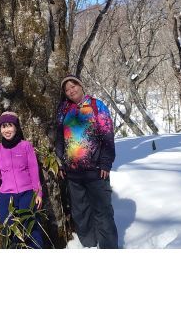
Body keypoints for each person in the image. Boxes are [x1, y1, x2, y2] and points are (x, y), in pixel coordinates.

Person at [55, 75, 119, 248]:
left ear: (81, 86)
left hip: (96, 171)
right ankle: (89, 245)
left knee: (103, 212)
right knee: (80, 213)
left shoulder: (97, 106)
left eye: (73, 86)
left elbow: (107, 136)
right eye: (67, 89)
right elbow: (59, 138)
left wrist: (106, 162)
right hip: (73, 173)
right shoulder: (64, 110)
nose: (71, 91)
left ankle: (109, 247)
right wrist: (61, 162)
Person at [0, 111, 44, 248]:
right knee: (10, 232)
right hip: (6, 198)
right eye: (3, 126)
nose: (7, 130)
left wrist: (38, 193)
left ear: (16, 127)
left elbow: (34, 170)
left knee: (31, 229)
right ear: (0, 129)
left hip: (27, 194)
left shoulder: (26, 146)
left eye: (10, 125)